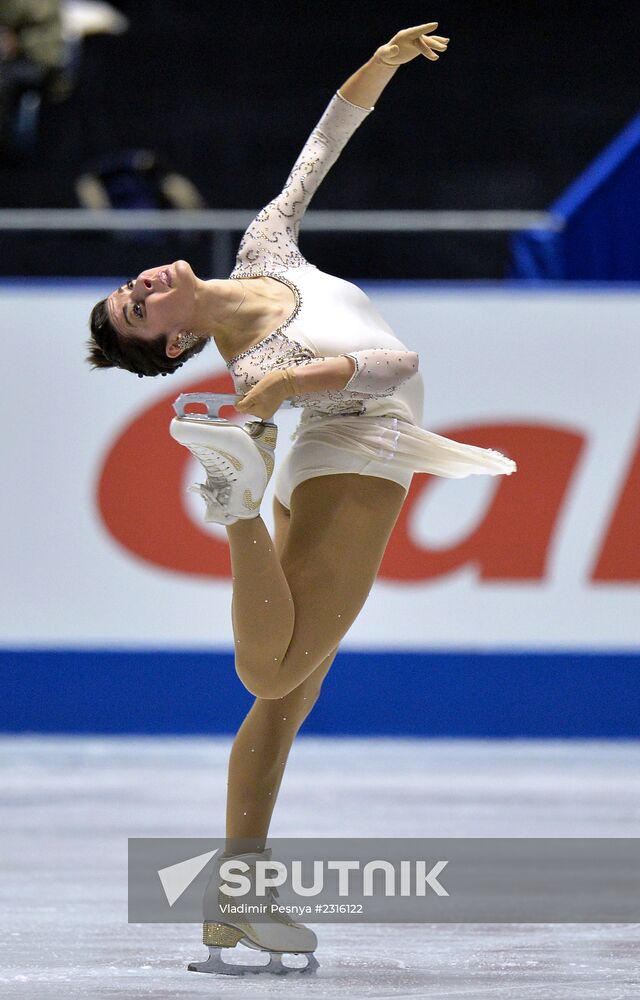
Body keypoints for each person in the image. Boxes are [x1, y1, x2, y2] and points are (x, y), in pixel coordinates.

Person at [87, 22, 516, 976]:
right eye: (138, 307)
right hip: (360, 455)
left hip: (326, 447)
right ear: (169, 347)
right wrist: (280, 395)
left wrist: (384, 64)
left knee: (287, 696)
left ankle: (232, 901)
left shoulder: (263, 246)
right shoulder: (257, 374)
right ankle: (237, 509)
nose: (144, 281)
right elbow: (397, 365)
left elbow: (325, 141)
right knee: (274, 677)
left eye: (131, 284)